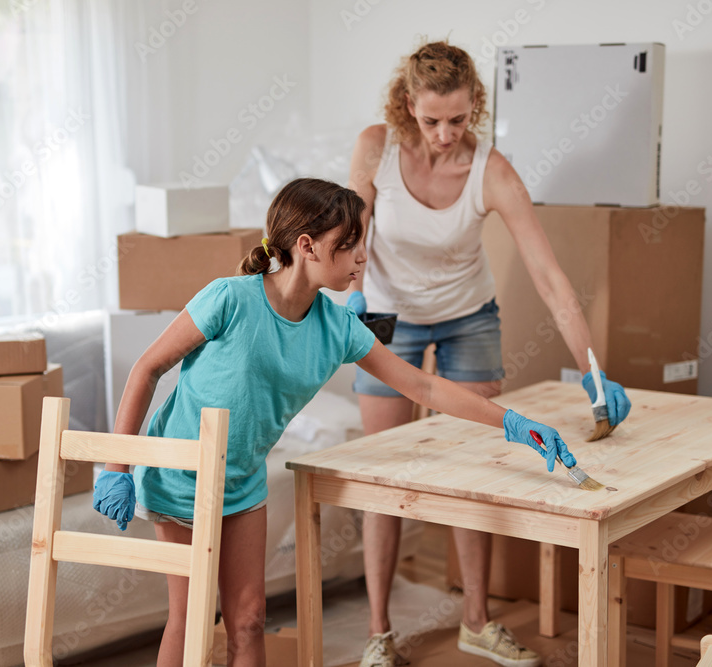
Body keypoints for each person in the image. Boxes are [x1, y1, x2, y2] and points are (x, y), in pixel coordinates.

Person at [92, 177, 580, 667]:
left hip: (241, 478)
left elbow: (424, 387)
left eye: (360, 244)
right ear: (306, 246)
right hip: (180, 472)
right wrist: (117, 466)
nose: (361, 259)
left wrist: (512, 422)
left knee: (249, 618)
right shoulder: (229, 299)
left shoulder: (339, 326)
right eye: (347, 246)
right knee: (193, 617)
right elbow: (147, 369)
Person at [346, 41, 632, 667]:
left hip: (468, 318)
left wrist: (593, 368)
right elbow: (353, 236)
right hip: (387, 314)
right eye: (431, 120)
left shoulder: (492, 171)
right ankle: (378, 635)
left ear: (475, 105)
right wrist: (350, 296)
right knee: (381, 475)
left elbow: (550, 278)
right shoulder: (376, 148)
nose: (446, 134)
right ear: (407, 106)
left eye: (459, 118)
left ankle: (476, 621)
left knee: (474, 468)